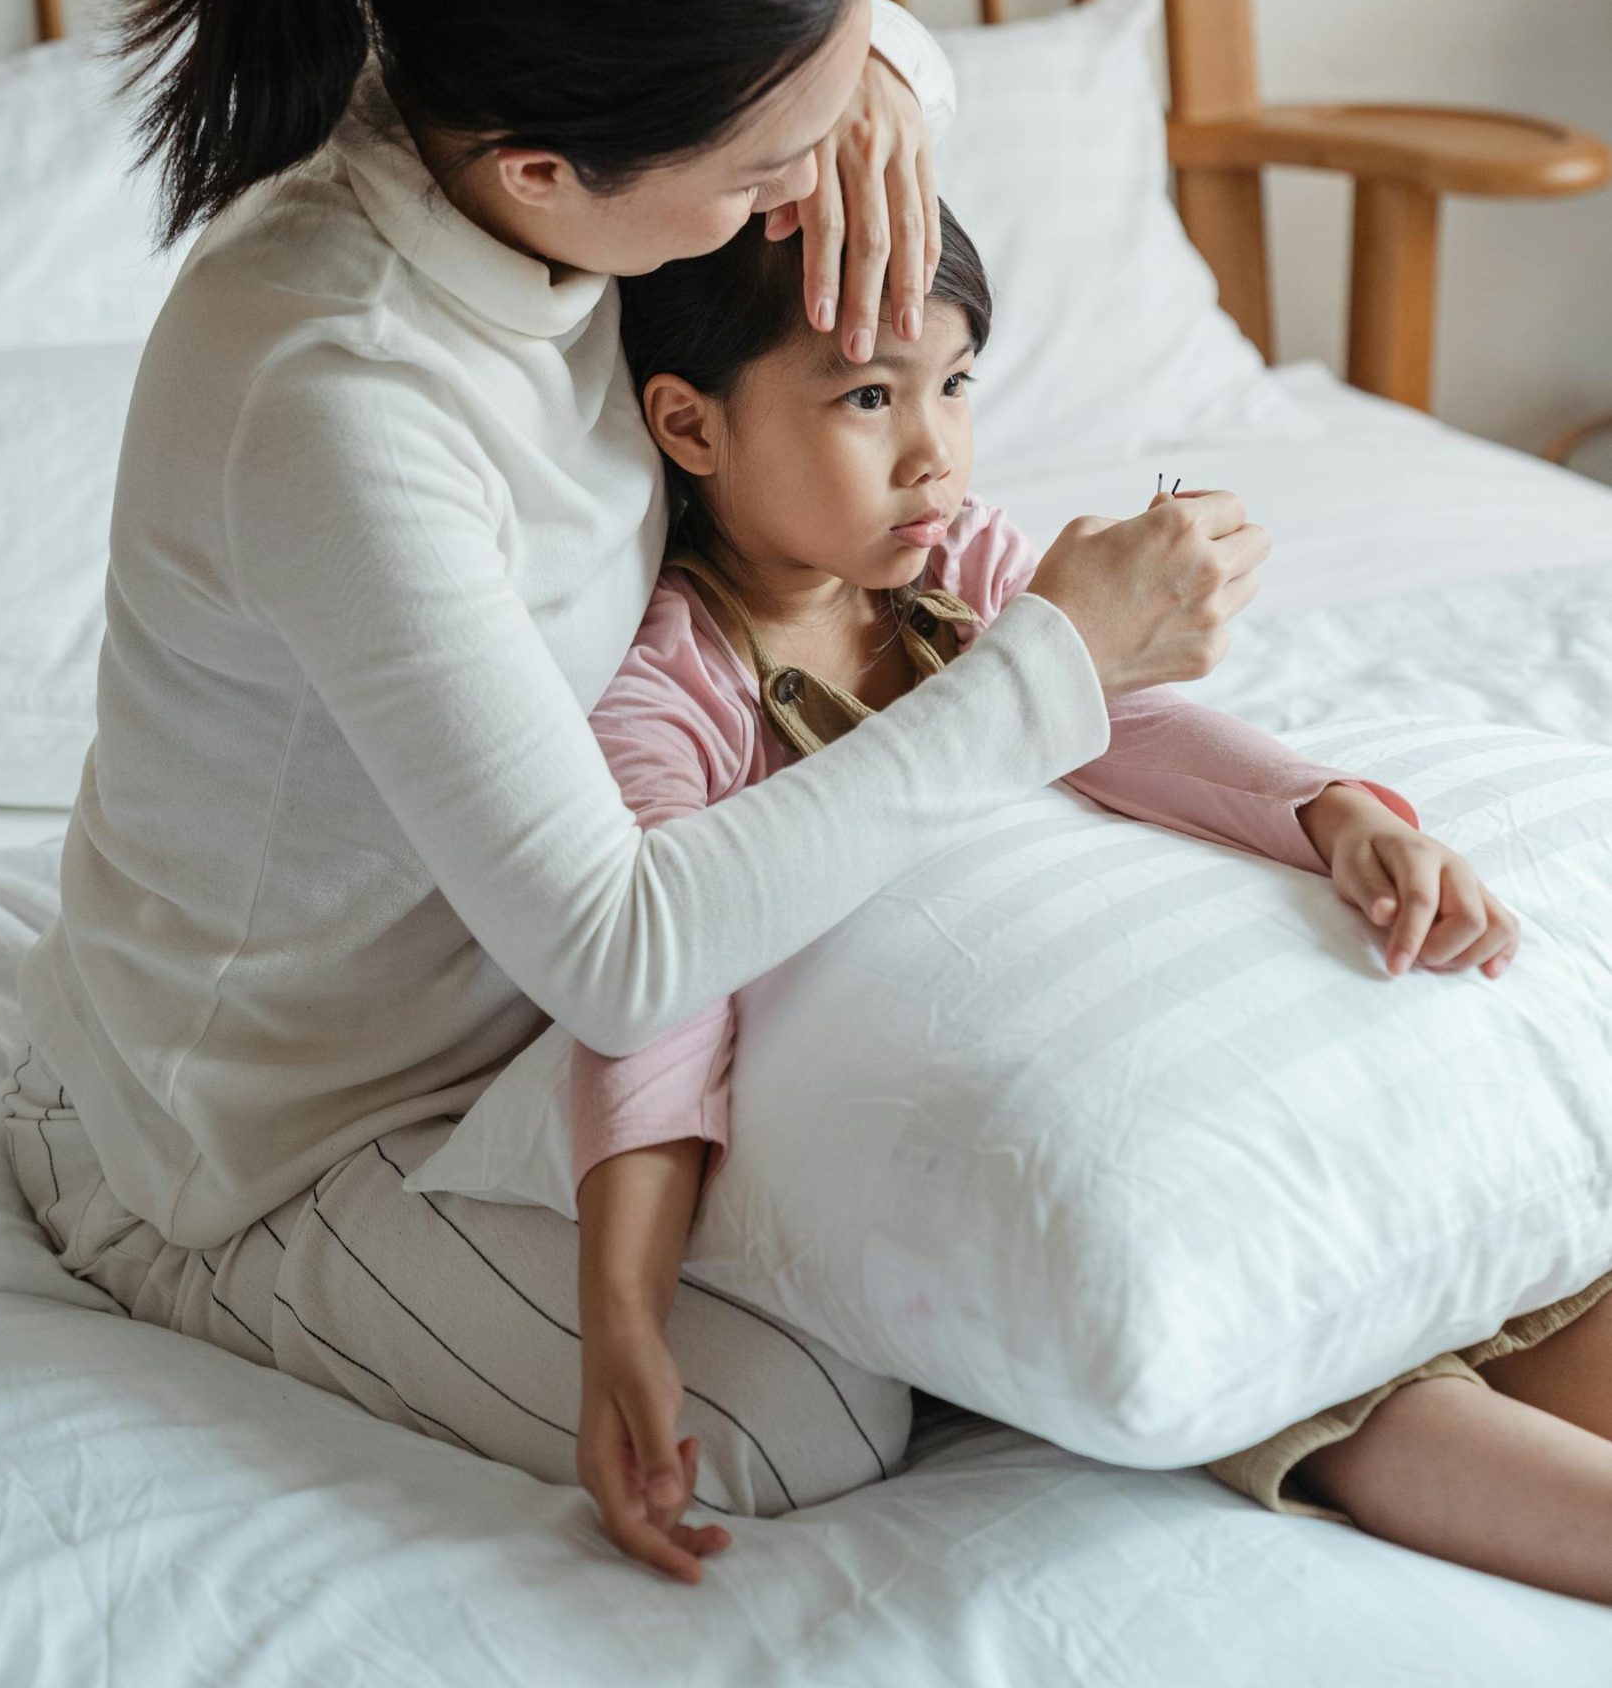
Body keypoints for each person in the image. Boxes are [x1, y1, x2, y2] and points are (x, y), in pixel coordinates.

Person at [2, 0, 1270, 1520]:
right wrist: (1054, 662)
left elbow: (852, 81)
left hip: (534, 994)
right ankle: (142, 1218)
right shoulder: (341, 393)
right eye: (776, 165)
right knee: (809, 1422)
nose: (809, 197)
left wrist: (880, 74)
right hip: (275, 1120)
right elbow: (613, 949)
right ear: (549, 179)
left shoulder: (534, 121)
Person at [561, 201, 1612, 1600]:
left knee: (1532, 1272)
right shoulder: (675, 693)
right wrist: (624, 1314)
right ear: (691, 427)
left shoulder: (965, 565)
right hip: (1093, 1117)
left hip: (1241, 1036)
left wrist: (1334, 810)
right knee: (1353, 1392)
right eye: (869, 397)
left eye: (955, 384)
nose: (935, 452)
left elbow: (1126, 717)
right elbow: (656, 1000)